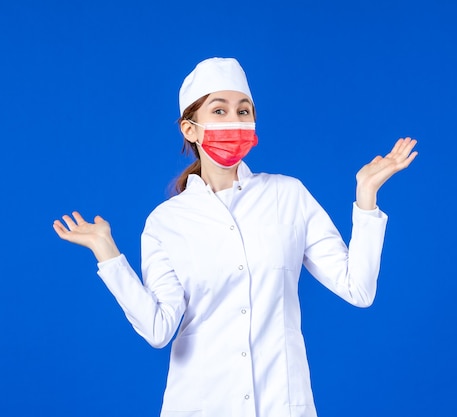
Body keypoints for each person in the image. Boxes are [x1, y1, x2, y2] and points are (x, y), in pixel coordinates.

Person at [53, 57, 417, 417]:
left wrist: (366, 196)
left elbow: (359, 289)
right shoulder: (167, 222)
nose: (234, 121)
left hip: (282, 404)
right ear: (190, 128)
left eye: (243, 112)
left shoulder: (288, 195)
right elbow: (158, 329)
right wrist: (108, 253)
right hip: (201, 403)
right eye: (220, 111)